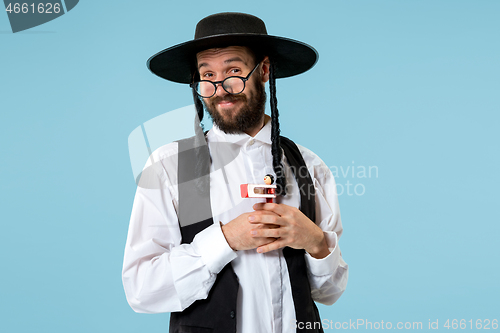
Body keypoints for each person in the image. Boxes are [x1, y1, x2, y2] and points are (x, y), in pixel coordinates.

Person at [122, 12, 348, 333]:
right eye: (208, 75)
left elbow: (330, 292)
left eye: (233, 71)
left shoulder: (310, 167)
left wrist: (316, 242)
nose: (221, 88)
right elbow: (142, 289)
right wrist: (226, 240)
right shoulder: (172, 165)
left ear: (264, 71)